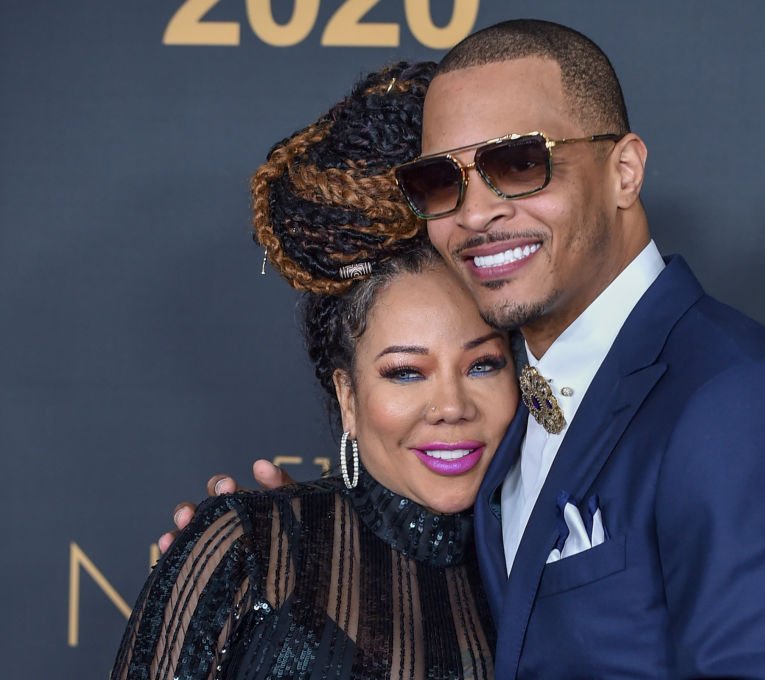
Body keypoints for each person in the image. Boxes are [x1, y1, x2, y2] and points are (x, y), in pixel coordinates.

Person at [177, 19, 765, 679]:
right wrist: (302, 559)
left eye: (518, 164)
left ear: (625, 170)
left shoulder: (738, 407)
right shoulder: (522, 415)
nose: (476, 213)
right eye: (442, 182)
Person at [113, 61, 520, 679]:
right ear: (348, 396)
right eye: (406, 372)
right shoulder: (249, 550)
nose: (451, 405)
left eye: (484, 363)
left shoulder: (554, 575)